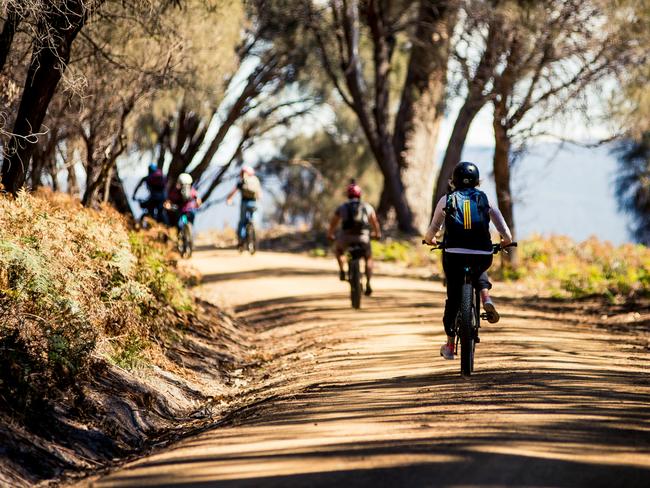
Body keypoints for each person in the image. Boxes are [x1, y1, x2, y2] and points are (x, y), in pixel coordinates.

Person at [424, 161, 512, 360]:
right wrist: (506, 241)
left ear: (453, 181)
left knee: (453, 297)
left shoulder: (447, 199)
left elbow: (434, 227)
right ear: (477, 182)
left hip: (453, 253)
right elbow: (501, 225)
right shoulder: (485, 199)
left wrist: (430, 240)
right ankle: (486, 297)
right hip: (482, 253)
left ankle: (449, 344)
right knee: (478, 265)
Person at [327, 181, 381, 296]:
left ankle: (342, 271)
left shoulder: (342, 207)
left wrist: (330, 234)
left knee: (338, 251)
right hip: (363, 238)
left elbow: (333, 223)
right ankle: (368, 283)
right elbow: (374, 222)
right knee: (368, 257)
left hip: (345, 238)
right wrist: (377, 234)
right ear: (359, 195)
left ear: (348, 195)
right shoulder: (367, 207)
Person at [226, 166, 262, 248]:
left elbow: (232, 193)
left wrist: (229, 200)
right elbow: (259, 192)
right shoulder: (255, 180)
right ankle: (254, 232)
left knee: (242, 221)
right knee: (254, 219)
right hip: (254, 202)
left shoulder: (242, 181)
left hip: (244, 203)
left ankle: (241, 240)